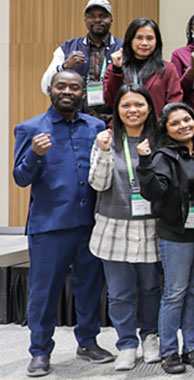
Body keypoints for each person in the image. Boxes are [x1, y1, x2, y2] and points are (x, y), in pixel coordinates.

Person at [14, 70, 114, 377]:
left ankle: (88, 341)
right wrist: (35, 154)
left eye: (74, 87)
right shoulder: (30, 128)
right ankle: (40, 351)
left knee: (89, 288)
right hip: (49, 227)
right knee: (43, 293)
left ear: (83, 92)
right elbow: (21, 178)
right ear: (50, 90)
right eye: (62, 86)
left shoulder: (97, 126)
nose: (68, 91)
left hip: (90, 224)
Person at [135, 102, 194, 373]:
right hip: (176, 234)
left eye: (187, 119)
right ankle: (169, 351)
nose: (184, 126)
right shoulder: (163, 156)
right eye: (175, 123)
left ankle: (192, 347)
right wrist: (145, 163)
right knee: (175, 293)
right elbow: (154, 193)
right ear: (166, 129)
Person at [88, 85, 161, 370]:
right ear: (117, 110)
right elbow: (98, 184)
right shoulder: (106, 139)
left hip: (151, 225)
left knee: (151, 287)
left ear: (149, 108)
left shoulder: (159, 139)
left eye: (139, 105)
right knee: (119, 292)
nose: (133, 110)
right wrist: (105, 152)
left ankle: (150, 337)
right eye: (126, 105)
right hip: (113, 226)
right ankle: (127, 344)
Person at [40, 0, 122, 120]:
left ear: (111, 19)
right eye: (92, 16)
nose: (97, 20)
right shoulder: (68, 47)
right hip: (76, 119)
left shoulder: (123, 48)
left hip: (114, 119)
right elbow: (45, 86)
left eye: (103, 16)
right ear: (85, 20)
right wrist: (65, 67)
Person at [104, 18, 183, 115]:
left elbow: (174, 103)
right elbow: (110, 102)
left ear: (156, 41)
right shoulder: (115, 68)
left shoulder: (168, 69)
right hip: (124, 126)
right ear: (130, 40)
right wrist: (116, 70)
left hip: (156, 127)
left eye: (150, 38)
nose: (144, 43)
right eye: (139, 38)